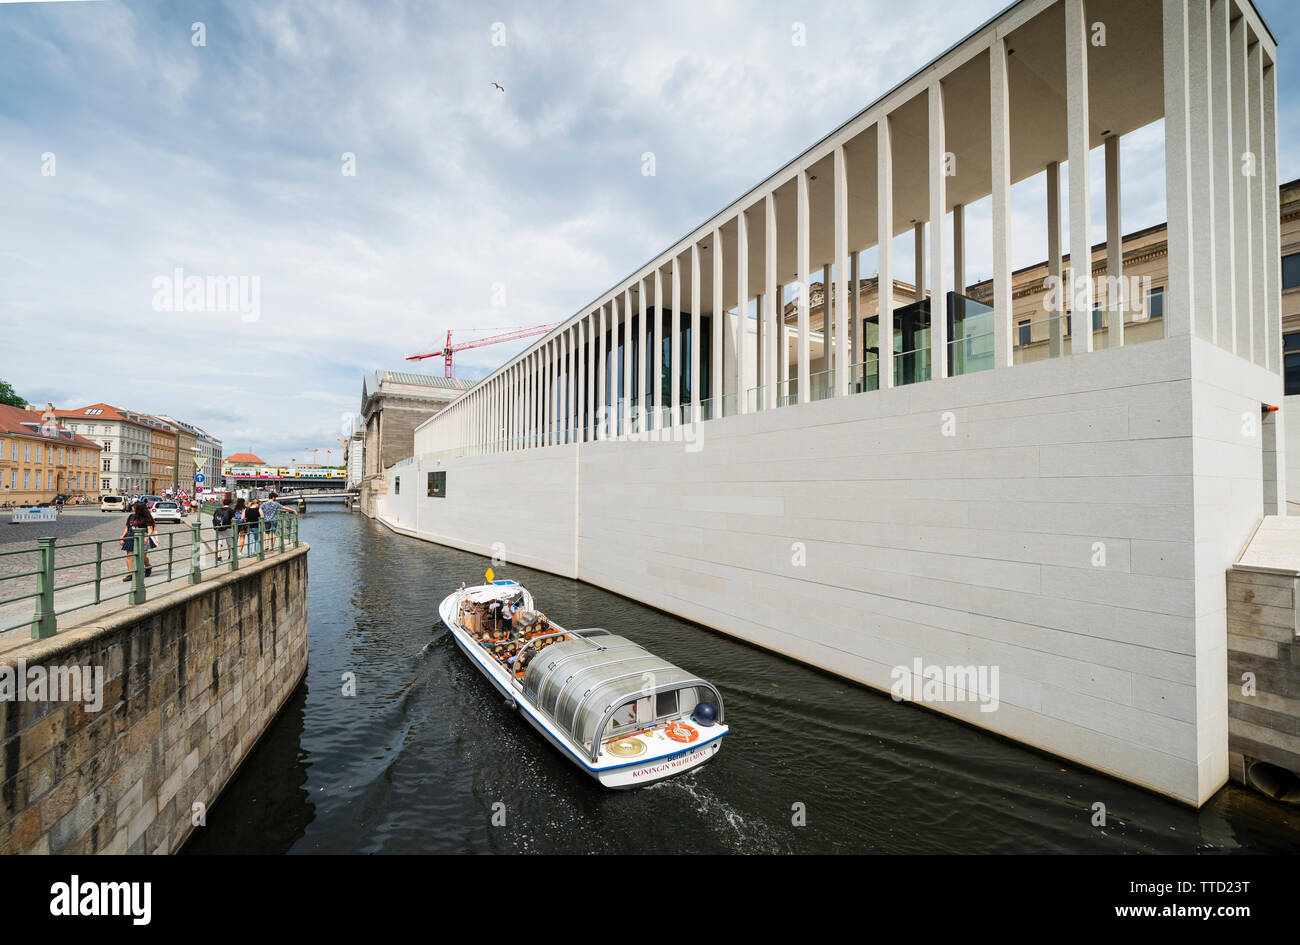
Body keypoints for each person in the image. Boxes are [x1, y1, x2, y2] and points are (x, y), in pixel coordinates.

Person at [120, 501, 157, 581]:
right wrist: (122, 537)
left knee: (142, 556)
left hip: (142, 537)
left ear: (138, 508)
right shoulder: (131, 516)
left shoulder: (146, 517)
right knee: (129, 556)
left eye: (134, 506)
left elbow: (150, 529)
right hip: (130, 536)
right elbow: (127, 528)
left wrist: (147, 538)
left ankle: (147, 566)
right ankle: (131, 574)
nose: (132, 507)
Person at [212, 497, 236, 562]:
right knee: (229, 543)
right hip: (228, 527)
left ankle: (219, 557)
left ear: (223, 503)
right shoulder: (230, 510)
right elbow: (233, 520)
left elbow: (214, 517)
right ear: (230, 504)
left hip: (219, 528)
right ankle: (230, 555)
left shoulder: (218, 509)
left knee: (219, 543)